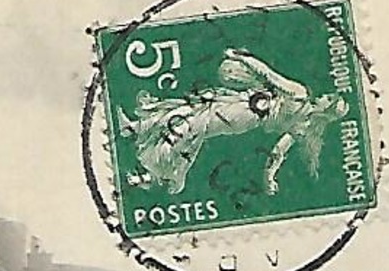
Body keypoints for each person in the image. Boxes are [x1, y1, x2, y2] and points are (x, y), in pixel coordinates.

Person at [115, 47, 350, 195]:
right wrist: (269, 177)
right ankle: (136, 129)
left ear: (325, 110)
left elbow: (270, 75)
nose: (323, 96)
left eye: (328, 99)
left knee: (193, 124)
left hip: (243, 110)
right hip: (243, 113)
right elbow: (277, 152)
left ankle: (155, 170)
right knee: (190, 112)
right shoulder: (302, 128)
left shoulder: (299, 94)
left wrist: (241, 58)